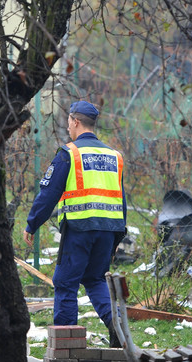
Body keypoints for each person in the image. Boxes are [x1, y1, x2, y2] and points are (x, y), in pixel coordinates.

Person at [23, 100, 126, 347]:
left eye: (69, 121)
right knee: (95, 279)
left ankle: (67, 346)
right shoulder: (115, 157)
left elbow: (49, 193)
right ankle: (118, 328)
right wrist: (118, 237)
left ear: (75, 121)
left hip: (79, 229)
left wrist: (32, 224)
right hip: (109, 230)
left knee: (65, 283)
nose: (68, 126)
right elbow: (121, 200)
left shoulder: (69, 153)